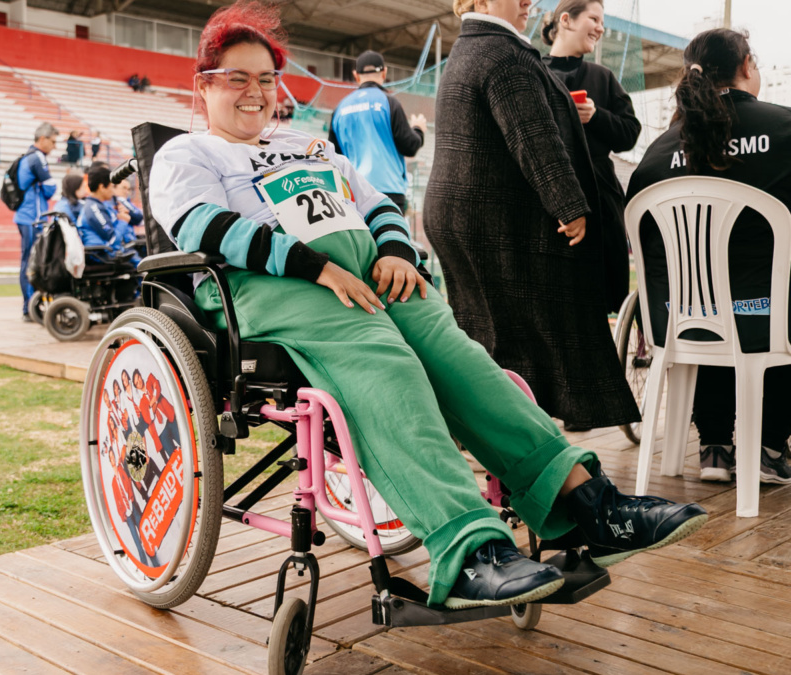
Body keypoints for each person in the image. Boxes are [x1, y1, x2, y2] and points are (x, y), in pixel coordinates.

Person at [150, 0, 705, 610]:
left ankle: (587, 502)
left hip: (364, 270)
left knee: (456, 353)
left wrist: (393, 253)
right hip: (275, 281)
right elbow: (203, 227)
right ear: (203, 86)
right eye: (237, 78)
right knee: (388, 362)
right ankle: (466, 545)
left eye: (265, 79)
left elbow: (376, 203)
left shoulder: (307, 146)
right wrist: (317, 266)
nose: (255, 92)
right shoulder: (187, 154)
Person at [424, 0, 638, 432]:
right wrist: (571, 206)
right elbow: (535, 137)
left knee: (483, 334)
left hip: (458, 214)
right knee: (519, 337)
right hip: (495, 219)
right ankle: (517, 436)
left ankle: (487, 432)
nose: (528, 2)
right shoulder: (505, 53)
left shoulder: (467, 49)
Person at [626, 28, 791, 484]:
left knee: (713, 301)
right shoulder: (785, 129)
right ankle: (769, 445)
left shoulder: (658, 152)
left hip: (675, 319)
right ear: (745, 67)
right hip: (761, 316)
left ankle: (714, 444)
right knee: (767, 298)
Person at [543, 0, 640, 314]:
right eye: (594, 18)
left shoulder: (602, 76)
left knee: (599, 298)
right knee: (554, 297)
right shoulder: (534, 72)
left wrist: (596, 116)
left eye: (603, 20)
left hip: (599, 198)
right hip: (548, 196)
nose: (600, 27)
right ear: (567, 20)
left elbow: (630, 133)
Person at [328, 50, 427, 212]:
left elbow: (333, 155)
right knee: (390, 237)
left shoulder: (340, 108)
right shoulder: (389, 102)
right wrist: (418, 129)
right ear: (384, 72)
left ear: (356, 75)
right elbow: (409, 146)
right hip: (389, 192)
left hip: (354, 193)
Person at [13, 122, 59, 320]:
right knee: (31, 262)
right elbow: (50, 189)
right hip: (32, 219)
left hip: (27, 217)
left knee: (30, 261)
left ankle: (31, 306)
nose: (54, 146)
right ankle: (29, 308)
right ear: (42, 139)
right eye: (53, 141)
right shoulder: (37, 157)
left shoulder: (27, 157)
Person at [78, 165, 142, 267]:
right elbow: (113, 240)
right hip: (101, 255)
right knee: (143, 265)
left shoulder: (99, 205)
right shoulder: (94, 208)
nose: (113, 191)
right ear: (102, 187)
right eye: (112, 187)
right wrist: (123, 221)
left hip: (108, 252)